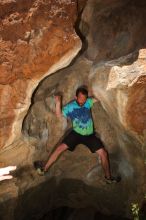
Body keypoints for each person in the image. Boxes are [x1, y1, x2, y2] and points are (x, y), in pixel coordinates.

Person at [42, 86, 120, 183]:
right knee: (59, 148)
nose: (82, 101)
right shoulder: (70, 107)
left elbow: (100, 96)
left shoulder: (88, 102)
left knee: (103, 153)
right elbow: (59, 115)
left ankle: (108, 178)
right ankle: (44, 169)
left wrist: (98, 91)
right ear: (76, 97)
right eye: (80, 98)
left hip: (89, 136)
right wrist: (58, 102)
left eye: (84, 99)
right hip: (76, 133)